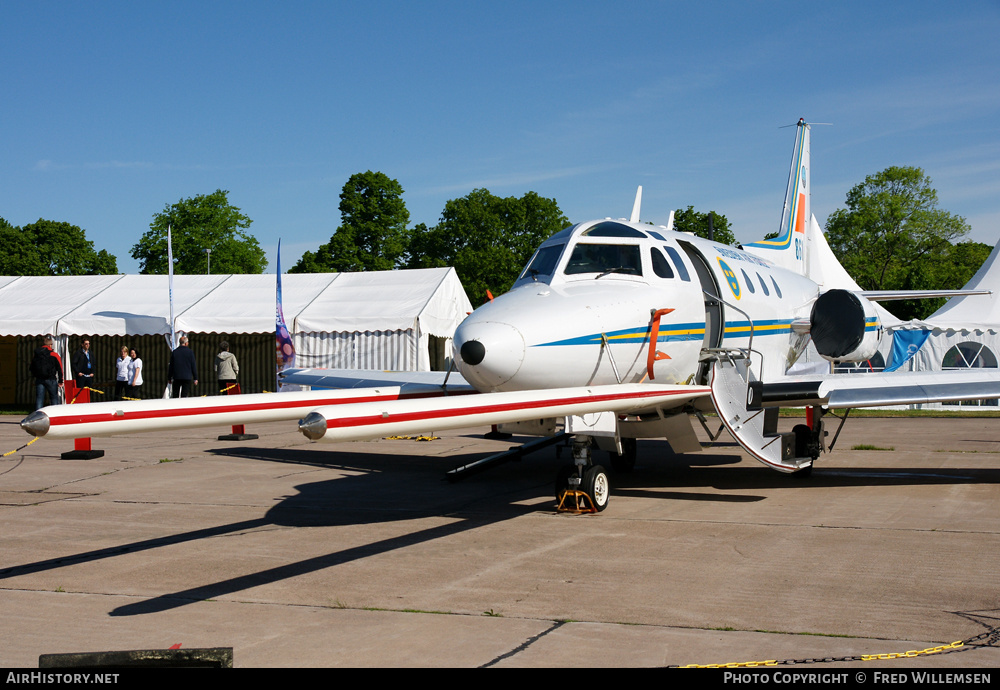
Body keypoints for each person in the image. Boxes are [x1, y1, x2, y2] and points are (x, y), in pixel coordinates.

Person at [31, 335, 63, 410]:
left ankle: (38, 416)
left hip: (39, 379)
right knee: (54, 398)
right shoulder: (54, 354)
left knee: (39, 398)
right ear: (50, 345)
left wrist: (35, 376)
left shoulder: (37, 354)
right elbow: (60, 368)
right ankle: (55, 415)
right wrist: (60, 380)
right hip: (51, 379)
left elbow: (32, 367)